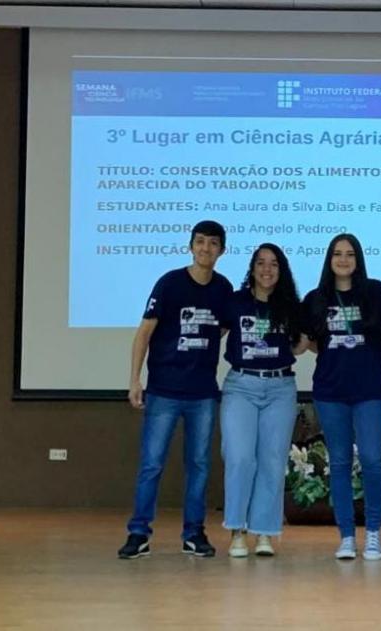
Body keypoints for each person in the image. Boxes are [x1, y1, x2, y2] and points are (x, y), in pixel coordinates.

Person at [118, 220, 232, 560]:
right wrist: (134, 380)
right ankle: (138, 533)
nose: (205, 249)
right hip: (164, 391)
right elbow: (144, 333)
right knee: (151, 464)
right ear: (190, 246)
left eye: (213, 244)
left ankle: (193, 533)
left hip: (202, 393)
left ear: (222, 251)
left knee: (199, 464)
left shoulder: (223, 289)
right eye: (200, 242)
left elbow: (223, 329)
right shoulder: (169, 284)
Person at [302, 233, 381, 561]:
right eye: (338, 254)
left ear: (359, 259)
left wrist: (367, 354)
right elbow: (310, 341)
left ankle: (372, 533)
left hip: (369, 390)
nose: (344, 259)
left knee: (371, 459)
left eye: (350, 254)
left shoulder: (376, 292)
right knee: (339, 462)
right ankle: (345, 536)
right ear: (329, 259)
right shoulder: (316, 298)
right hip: (330, 391)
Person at [220, 243, 307, 558]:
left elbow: (300, 344)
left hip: (280, 388)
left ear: (281, 270)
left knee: (272, 461)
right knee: (241, 458)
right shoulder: (235, 301)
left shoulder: (291, 306)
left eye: (273, 264)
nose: (266, 269)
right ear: (252, 268)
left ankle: (265, 533)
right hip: (241, 386)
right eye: (260, 263)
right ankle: (237, 531)